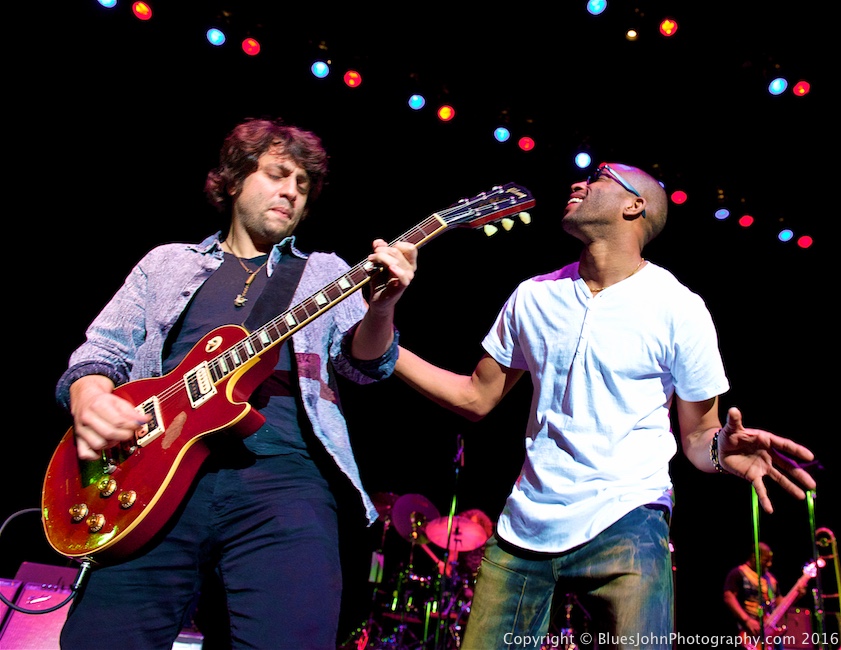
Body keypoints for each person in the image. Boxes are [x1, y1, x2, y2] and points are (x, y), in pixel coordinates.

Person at [392, 162, 817, 649]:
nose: (578, 183)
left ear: (633, 205)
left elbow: (700, 439)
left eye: (598, 178)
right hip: (524, 528)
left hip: (629, 520)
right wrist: (387, 351)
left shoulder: (678, 307)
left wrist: (724, 450)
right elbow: (476, 396)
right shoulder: (534, 296)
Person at [55, 117, 418, 649]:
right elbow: (101, 351)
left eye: (303, 185)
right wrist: (90, 398)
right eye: (277, 174)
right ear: (232, 181)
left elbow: (363, 365)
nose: (292, 191)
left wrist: (382, 308)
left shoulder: (324, 272)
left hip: (284, 479)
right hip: (151, 480)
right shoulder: (167, 263)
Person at [723, 542, 805, 649]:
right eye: (766, 560)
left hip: (770, 633)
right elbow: (728, 597)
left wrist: (796, 596)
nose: (769, 564)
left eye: (770, 560)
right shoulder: (739, 573)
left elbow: (780, 606)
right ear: (754, 557)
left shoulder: (771, 580)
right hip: (748, 631)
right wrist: (747, 620)